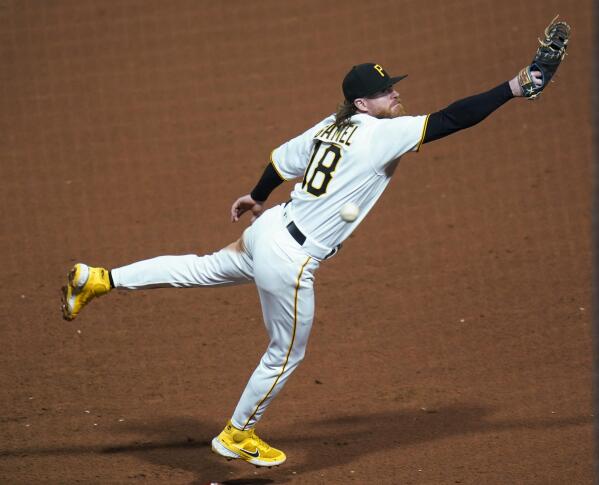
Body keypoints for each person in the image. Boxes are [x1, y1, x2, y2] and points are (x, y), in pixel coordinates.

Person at [62, 62, 544, 467]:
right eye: (383, 91)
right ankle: (236, 433)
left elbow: (279, 161)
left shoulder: (329, 126)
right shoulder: (381, 134)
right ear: (362, 104)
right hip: (290, 257)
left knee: (199, 267)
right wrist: (514, 88)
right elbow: (453, 119)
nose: (395, 94)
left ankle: (101, 279)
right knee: (285, 352)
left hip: (268, 229)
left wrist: (256, 195)